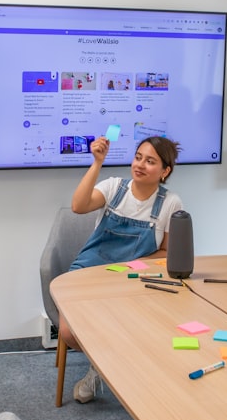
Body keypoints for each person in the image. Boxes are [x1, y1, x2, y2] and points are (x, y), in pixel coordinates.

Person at [60, 135, 183, 403]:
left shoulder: (171, 203)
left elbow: (166, 253)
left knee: (144, 325)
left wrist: (131, 265)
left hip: (131, 276)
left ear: (165, 171)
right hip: (90, 269)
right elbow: (78, 206)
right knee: (69, 332)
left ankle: (98, 369)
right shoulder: (115, 186)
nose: (140, 164)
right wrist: (97, 163)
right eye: (138, 157)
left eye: (150, 161)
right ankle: (107, 365)